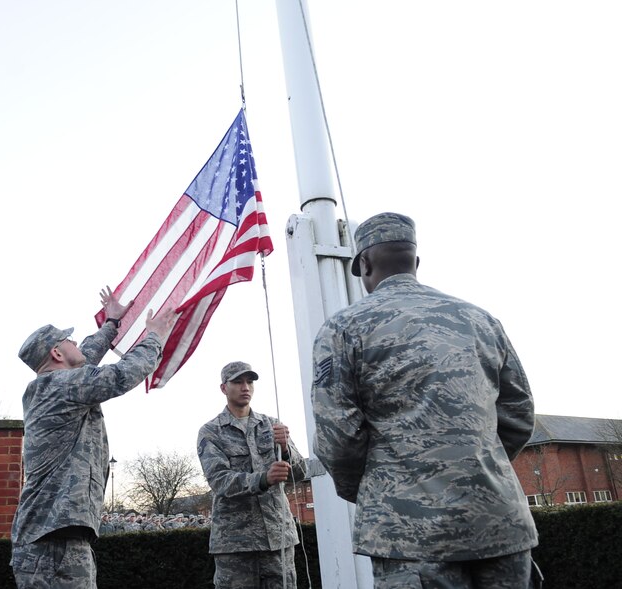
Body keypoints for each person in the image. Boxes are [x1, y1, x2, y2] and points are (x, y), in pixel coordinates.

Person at [311, 212, 540, 588]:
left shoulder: (344, 328)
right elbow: (518, 415)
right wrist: (473, 466)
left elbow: (339, 435)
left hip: (409, 533)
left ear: (364, 263)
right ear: (415, 262)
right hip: (500, 522)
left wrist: (377, 490)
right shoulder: (481, 320)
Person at [10, 286, 176, 589]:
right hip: (54, 542)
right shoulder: (61, 386)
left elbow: (85, 354)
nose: (76, 340)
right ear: (57, 353)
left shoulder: (53, 385)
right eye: (67, 338)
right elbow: (123, 374)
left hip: (52, 538)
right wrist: (154, 336)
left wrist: (111, 323)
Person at [197, 361, 307, 589]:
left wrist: (286, 450)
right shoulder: (211, 432)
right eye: (237, 381)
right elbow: (220, 480)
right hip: (236, 544)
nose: (245, 386)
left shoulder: (273, 425)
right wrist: (263, 479)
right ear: (224, 388)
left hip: (278, 539)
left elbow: (300, 473)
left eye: (249, 381)